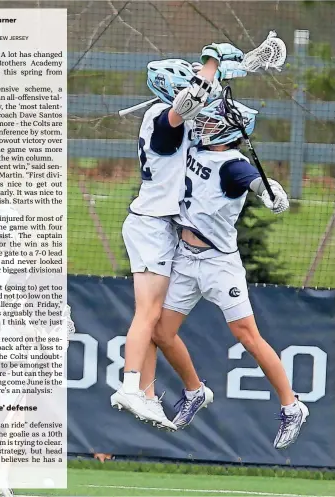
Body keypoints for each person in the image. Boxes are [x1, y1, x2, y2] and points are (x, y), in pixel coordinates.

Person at [140, 96, 309, 450]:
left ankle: (292, 406)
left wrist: (271, 192)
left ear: (232, 131)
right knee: (160, 332)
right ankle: (194, 391)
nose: (205, 124)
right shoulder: (195, 148)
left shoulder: (234, 165)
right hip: (185, 260)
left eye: (214, 122)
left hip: (219, 264)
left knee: (247, 335)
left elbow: (256, 182)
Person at [110, 43, 246, 430]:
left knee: (155, 322)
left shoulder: (176, 119)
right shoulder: (164, 120)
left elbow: (211, 99)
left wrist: (228, 70)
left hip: (159, 225)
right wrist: (212, 62)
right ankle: (131, 385)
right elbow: (198, 95)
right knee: (148, 313)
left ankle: (149, 395)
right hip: (152, 224)